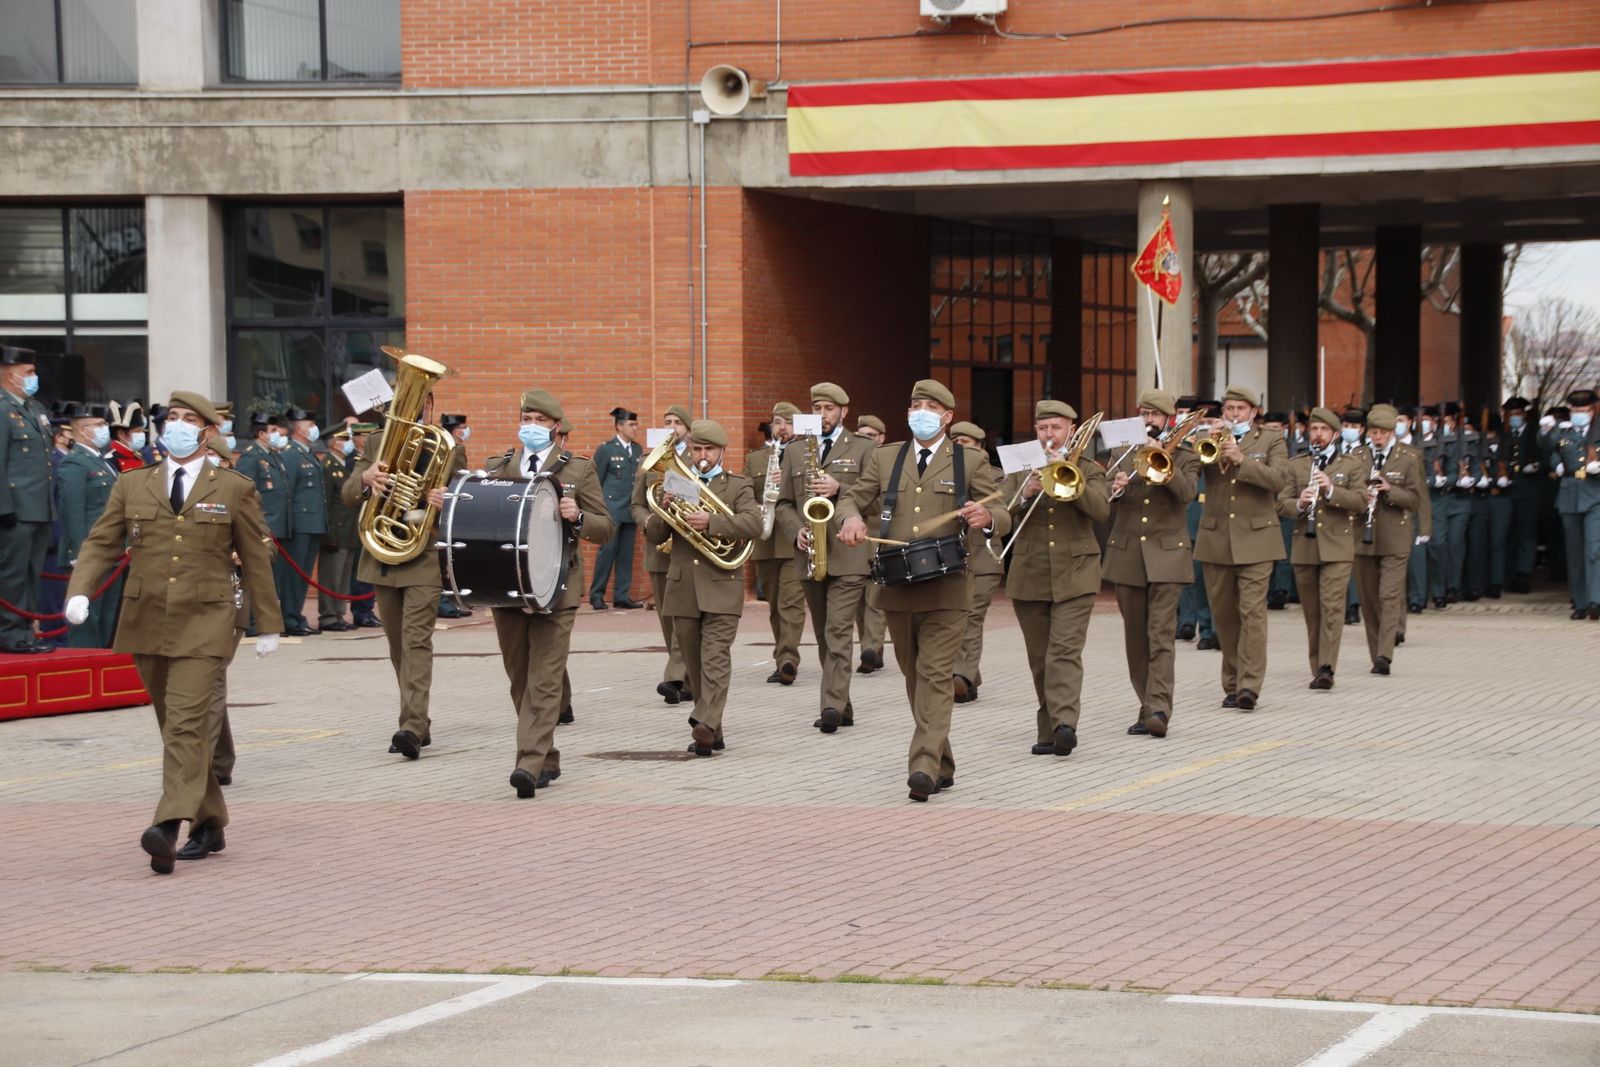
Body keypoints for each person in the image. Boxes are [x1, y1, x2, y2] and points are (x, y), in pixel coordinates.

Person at [63, 391, 282, 874]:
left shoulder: (233, 487)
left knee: (185, 723)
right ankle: (210, 820)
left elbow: (257, 557)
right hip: (146, 620)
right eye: (172, 418)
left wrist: (268, 623)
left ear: (207, 432)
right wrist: (81, 589)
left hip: (208, 620)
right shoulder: (132, 483)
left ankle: (168, 824)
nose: (177, 425)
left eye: (189, 419)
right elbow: (101, 542)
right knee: (172, 725)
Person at [837, 379, 1007, 801]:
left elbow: (1001, 508)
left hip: (948, 587)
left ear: (948, 416)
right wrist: (850, 519)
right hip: (897, 586)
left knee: (933, 676)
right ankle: (943, 760)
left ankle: (924, 766)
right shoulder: (886, 457)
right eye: (915, 405)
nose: (920, 412)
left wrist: (987, 516)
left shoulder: (969, 461)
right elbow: (851, 498)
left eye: (930, 406)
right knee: (915, 678)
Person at [482, 389, 611, 796]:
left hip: (557, 586)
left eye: (539, 419)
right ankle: (547, 754)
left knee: (545, 677)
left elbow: (606, 527)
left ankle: (529, 761)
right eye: (526, 417)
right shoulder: (498, 466)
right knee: (519, 677)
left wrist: (580, 515)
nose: (531, 426)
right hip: (508, 587)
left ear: (556, 426)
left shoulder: (579, 470)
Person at [343, 389, 467, 759]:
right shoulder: (378, 441)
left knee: (416, 642)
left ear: (430, 405)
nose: (415, 409)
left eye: (421, 402)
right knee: (398, 646)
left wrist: (445, 500)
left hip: (423, 555)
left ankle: (411, 725)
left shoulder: (448, 445)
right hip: (385, 555)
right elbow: (349, 494)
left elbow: (464, 498)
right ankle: (418, 721)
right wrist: (366, 478)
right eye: (406, 402)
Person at [996, 399, 1107, 755]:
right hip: (1030, 573)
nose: (1049, 435)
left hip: (1076, 572)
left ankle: (1065, 724)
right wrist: (1024, 493)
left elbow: (1101, 509)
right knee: (1040, 657)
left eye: (1056, 428)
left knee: (1064, 652)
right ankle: (1048, 731)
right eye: (1043, 428)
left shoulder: (1088, 467)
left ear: (1071, 431)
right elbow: (999, 515)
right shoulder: (1019, 469)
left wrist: (1070, 480)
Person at [646, 419, 763, 756]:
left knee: (714, 659)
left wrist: (713, 522)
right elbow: (655, 536)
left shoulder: (736, 486)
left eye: (708, 449)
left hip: (721, 586)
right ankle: (714, 729)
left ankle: (704, 724)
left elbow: (754, 523)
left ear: (721, 451)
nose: (702, 455)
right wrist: (663, 512)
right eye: (696, 449)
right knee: (695, 667)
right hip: (682, 589)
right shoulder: (676, 482)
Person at [776, 382, 876, 734]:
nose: (822, 415)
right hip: (810, 553)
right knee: (822, 633)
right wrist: (794, 531)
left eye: (829, 409)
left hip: (849, 555)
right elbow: (783, 503)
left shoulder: (863, 448)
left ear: (844, 412)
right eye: (816, 408)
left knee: (837, 631)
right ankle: (843, 704)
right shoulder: (795, 450)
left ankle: (831, 706)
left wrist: (840, 490)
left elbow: (876, 500)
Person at [1104, 389, 1198, 734]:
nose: (1149, 420)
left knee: (1160, 634)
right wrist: (1114, 487)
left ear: (1167, 419)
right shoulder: (1121, 452)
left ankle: (1159, 709)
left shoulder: (1186, 455)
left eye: (1155, 415)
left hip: (1167, 556)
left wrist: (1164, 462)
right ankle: (1146, 704)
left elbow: (1187, 493)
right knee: (1135, 638)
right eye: (1143, 413)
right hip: (1128, 554)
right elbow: (1104, 498)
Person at [1194, 385, 1287, 711]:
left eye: (1240, 409)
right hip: (1216, 538)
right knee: (1224, 616)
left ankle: (1249, 686)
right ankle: (1231, 683)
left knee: (1252, 613)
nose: (1234, 414)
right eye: (1230, 408)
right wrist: (1202, 443)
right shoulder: (1209, 436)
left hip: (1257, 539)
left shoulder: (1271, 439)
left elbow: (1279, 480)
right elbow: (1189, 474)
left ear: (1253, 412)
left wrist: (1241, 459)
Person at [1275, 407, 1368, 690]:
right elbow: (1281, 503)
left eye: (1324, 430)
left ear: (1335, 434)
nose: (1317, 435)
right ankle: (1317, 666)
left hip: (1338, 547)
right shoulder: (1297, 465)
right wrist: (1300, 503)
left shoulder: (1350, 465)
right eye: (1313, 429)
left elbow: (1362, 502)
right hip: (1306, 546)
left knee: (1332, 608)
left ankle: (1327, 667)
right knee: (1313, 613)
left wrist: (1330, 491)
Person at [1355, 404, 1428, 672]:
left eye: (1383, 432)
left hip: (1395, 536)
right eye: (1373, 432)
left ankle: (1385, 654)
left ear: (1392, 433)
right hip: (1363, 536)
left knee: (1389, 595)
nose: (1377, 437)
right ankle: (1375, 652)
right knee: (1369, 599)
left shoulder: (1409, 457)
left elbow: (1415, 499)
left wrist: (1390, 490)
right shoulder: (1357, 456)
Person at [633, 404, 693, 703]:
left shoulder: (697, 458)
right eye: (667, 422)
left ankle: (675, 676)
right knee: (667, 618)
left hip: (686, 547)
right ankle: (686, 678)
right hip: (658, 548)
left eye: (678, 423)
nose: (672, 427)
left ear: (688, 429)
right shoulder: (647, 462)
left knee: (684, 615)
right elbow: (636, 504)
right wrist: (646, 521)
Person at [744, 401, 806, 685]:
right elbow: (744, 495)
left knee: (790, 603)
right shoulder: (756, 458)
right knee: (774, 606)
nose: (782, 427)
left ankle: (788, 659)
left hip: (795, 539)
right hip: (766, 541)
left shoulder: (807, 455)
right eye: (778, 421)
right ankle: (783, 654)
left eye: (788, 422)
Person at [0, 345, 55, 654]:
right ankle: (9, 633)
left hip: (39, 507)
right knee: (13, 575)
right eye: (29, 373)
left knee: (32, 573)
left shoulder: (34, 408)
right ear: (11, 375)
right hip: (16, 510)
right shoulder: (2, 409)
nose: (34, 377)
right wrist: (3, 508)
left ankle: (26, 630)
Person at [56, 402, 123, 649]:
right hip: (89, 554)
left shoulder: (102, 461)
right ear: (83, 430)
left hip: (112, 553)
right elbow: (72, 512)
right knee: (86, 621)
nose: (105, 430)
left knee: (107, 618)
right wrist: (79, 554)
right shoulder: (75, 463)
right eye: (100, 425)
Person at [201, 434, 246, 787]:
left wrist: (239, 554)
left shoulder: (239, 491)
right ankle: (221, 758)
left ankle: (203, 764)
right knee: (211, 680)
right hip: (190, 600)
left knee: (210, 675)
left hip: (228, 598)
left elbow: (264, 547)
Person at [949, 420, 1002, 703]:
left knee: (972, 616)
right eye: (955, 443)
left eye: (966, 444)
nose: (959, 449)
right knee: (957, 616)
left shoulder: (996, 476)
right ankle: (969, 676)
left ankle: (962, 676)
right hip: (954, 556)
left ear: (981, 448)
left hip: (985, 557)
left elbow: (1006, 511)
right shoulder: (944, 472)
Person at [1543, 388, 1600, 620]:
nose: (1580, 414)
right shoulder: (1563, 432)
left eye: (1584, 410)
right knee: (1574, 553)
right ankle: (1580, 602)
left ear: (1592, 410)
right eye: (1576, 410)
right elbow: (1547, 446)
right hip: (1569, 495)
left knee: (1594, 550)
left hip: (1595, 494)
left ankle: (1596, 599)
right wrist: (1546, 429)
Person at [279, 406, 326, 636]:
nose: (314, 429)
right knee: (294, 575)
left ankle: (295, 615)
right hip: (299, 525)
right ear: (298, 428)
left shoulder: (306, 453)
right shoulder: (289, 453)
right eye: (310, 425)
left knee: (304, 574)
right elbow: (287, 494)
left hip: (312, 523)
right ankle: (289, 618)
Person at [590, 406, 643, 610]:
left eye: (635, 424)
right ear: (619, 426)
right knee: (607, 551)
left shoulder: (637, 450)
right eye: (631, 424)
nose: (635, 428)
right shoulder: (607, 449)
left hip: (630, 509)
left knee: (626, 554)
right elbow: (595, 481)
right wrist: (598, 509)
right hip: (612, 509)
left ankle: (622, 595)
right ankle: (597, 595)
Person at [853, 414, 890, 674]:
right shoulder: (852, 459)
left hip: (880, 533)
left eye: (870, 436)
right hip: (856, 537)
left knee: (875, 595)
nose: (865, 440)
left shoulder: (887, 461)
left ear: (881, 438)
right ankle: (871, 647)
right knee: (858, 600)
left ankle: (872, 647)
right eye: (862, 435)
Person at [318, 422, 362, 632]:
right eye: (344, 439)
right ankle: (328, 616)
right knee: (331, 577)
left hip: (349, 531)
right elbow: (326, 503)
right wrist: (329, 534)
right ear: (334, 443)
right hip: (336, 531)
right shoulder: (327, 466)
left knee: (343, 578)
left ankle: (339, 613)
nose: (348, 443)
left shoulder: (344, 465)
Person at [1499, 397, 1543, 594]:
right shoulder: (1505, 433)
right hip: (1509, 489)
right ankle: (1510, 575)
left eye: (1517, 414)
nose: (1513, 418)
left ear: (1524, 414)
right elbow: (1501, 456)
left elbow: (1546, 454)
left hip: (1528, 489)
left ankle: (1524, 574)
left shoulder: (1535, 431)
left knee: (1527, 534)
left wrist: (1537, 466)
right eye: (1510, 415)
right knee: (1510, 534)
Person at [1263, 410, 1295, 612]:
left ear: (1284, 429)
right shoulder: (1263, 446)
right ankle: (1269, 589)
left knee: (1284, 552)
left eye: (1277, 428)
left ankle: (1281, 591)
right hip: (1265, 503)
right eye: (1269, 428)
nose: (1273, 431)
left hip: (1285, 503)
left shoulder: (1293, 447)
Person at [107, 401, 149, 472]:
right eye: (138, 431)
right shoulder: (110, 460)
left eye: (142, 431)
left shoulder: (138, 457)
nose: (142, 435)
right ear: (121, 434)